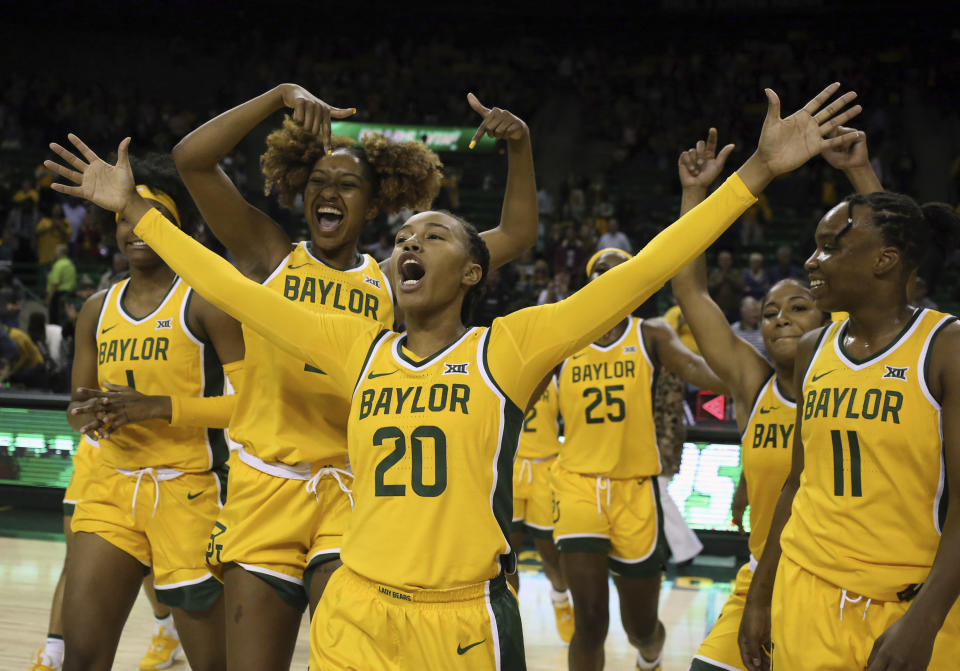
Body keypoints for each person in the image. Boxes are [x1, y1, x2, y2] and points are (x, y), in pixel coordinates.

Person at [48, 81, 861, 671]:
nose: (411, 242)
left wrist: (752, 175)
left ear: (472, 273)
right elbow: (225, 283)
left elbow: (646, 267)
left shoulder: (509, 349)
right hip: (356, 607)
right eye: (406, 236)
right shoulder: (354, 343)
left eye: (434, 234)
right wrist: (135, 208)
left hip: (463, 617)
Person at [167, 83, 538, 670]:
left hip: (352, 493)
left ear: (376, 201)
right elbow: (191, 161)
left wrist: (520, 147)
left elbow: (515, 236)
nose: (328, 192)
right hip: (264, 485)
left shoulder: (395, 276)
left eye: (346, 184)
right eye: (317, 182)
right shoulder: (268, 255)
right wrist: (277, 97)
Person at [40, 150, 245, 671]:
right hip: (111, 488)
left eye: (148, 216)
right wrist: (92, 414)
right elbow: (75, 409)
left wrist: (156, 407)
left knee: (213, 663)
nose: (133, 228)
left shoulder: (206, 301)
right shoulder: (95, 309)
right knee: (82, 657)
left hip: (191, 492)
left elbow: (252, 407)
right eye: (123, 218)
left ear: (179, 227)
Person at [737, 194, 960, 666]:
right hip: (805, 590)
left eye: (829, 248)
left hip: (910, 603)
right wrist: (760, 596)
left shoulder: (945, 347)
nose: (810, 260)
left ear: (885, 260)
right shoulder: (813, 347)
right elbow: (796, 484)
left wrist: (924, 620)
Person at [670, 128, 834, 671]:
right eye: (768, 313)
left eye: (799, 308)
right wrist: (694, 197)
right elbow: (691, 291)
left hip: (829, 585)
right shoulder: (753, 382)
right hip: (758, 575)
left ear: (829, 320)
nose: (781, 317)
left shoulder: (849, 383)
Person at [554, 247, 728, 671]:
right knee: (590, 621)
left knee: (641, 627)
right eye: (601, 273)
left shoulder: (650, 334)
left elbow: (699, 370)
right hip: (577, 486)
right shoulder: (564, 337)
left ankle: (650, 656)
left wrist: (752, 374)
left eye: (621, 273)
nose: (611, 279)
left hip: (635, 491)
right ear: (589, 283)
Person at [707, 249, 743, 322]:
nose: (725, 262)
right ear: (719, 261)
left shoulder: (736, 273)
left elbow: (741, 287)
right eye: (722, 260)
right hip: (718, 309)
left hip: (734, 310)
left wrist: (729, 278)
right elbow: (709, 289)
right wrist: (719, 281)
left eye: (727, 260)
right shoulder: (714, 274)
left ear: (731, 261)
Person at [46, 244, 76, 326]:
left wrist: (49, 298)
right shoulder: (70, 264)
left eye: (56, 251)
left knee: (55, 320)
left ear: (60, 253)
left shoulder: (58, 265)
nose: (55, 253)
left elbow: (55, 283)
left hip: (58, 296)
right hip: (69, 294)